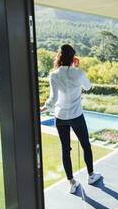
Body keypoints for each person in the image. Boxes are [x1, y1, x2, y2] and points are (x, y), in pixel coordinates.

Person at [40, 44, 101, 194]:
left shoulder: (54, 75)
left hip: (60, 117)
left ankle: (72, 183)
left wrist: (43, 108)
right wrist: (78, 68)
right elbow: (88, 87)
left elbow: (53, 99)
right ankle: (91, 175)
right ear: (73, 58)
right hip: (76, 116)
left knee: (65, 149)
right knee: (86, 145)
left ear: (59, 57)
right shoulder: (78, 74)